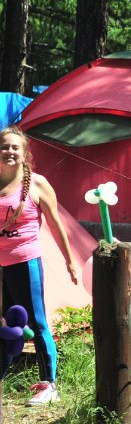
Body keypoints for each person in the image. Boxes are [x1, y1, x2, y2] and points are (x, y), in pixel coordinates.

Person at [0, 127, 79, 406]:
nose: (9, 151)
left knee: (36, 321)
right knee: (8, 325)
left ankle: (50, 385)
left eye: (14, 147)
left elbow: (57, 225)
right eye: (4, 147)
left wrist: (70, 261)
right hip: (1, 267)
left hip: (25, 262)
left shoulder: (37, 184)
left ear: (24, 153)